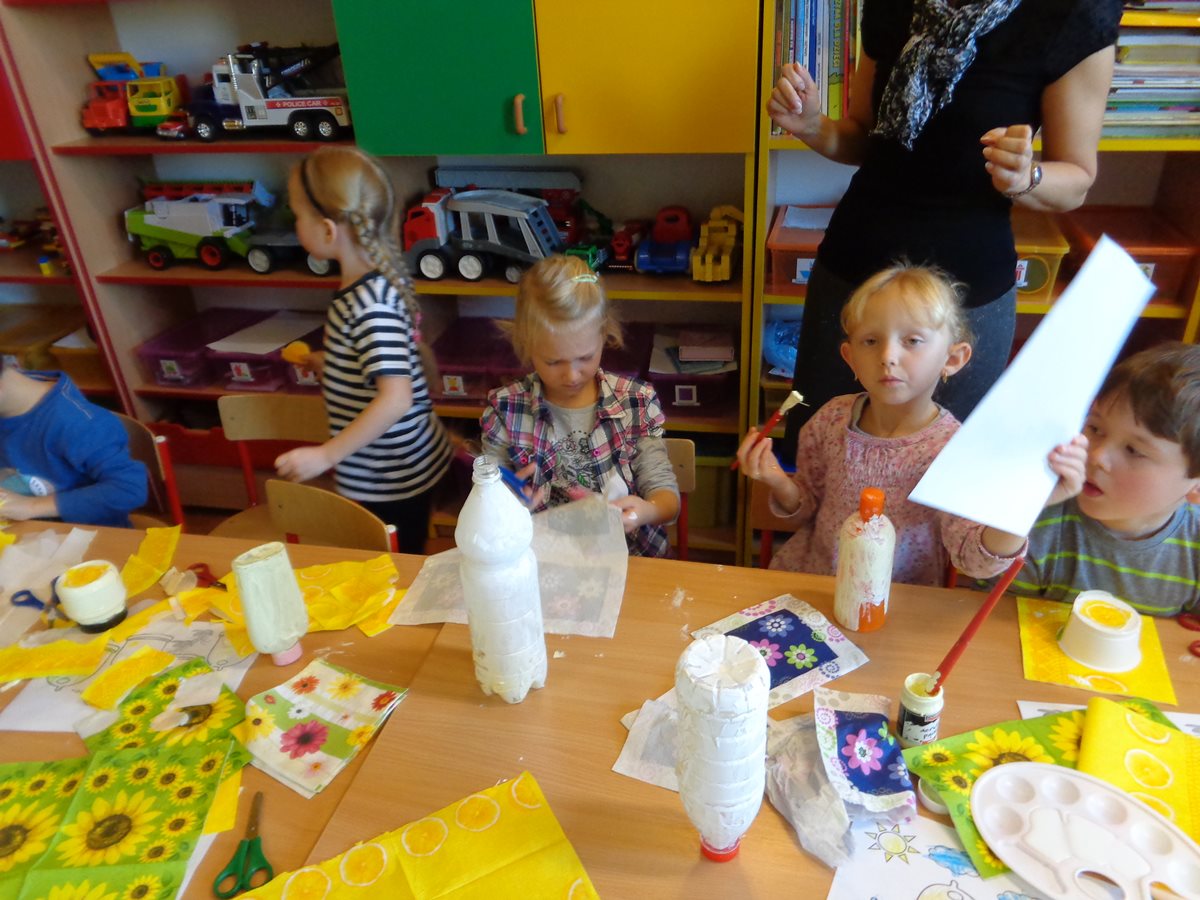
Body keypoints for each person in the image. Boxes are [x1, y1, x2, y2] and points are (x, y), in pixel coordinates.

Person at [770, 0, 1123, 458]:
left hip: (964, 295)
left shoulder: (1072, 12)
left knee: (944, 471)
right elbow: (863, 138)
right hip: (854, 272)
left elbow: (1076, 180)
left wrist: (1026, 177)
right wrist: (813, 126)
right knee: (821, 457)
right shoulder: (894, 7)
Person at [736, 263, 1084, 585]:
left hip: (898, 604)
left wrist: (1026, 504)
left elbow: (974, 561)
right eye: (871, 341)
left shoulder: (955, 450)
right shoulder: (830, 419)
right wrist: (776, 479)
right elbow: (806, 510)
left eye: (912, 341)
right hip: (814, 585)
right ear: (850, 357)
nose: (888, 356)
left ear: (952, 358)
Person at [274, 146, 452, 554]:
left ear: (327, 230)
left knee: (395, 563)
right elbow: (377, 363)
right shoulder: (367, 289)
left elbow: (396, 397)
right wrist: (332, 364)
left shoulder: (369, 306)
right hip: (387, 467)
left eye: (297, 214)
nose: (295, 223)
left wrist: (326, 456)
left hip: (392, 476)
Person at [481, 255, 680, 558]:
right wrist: (507, 505)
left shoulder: (635, 402)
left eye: (585, 358)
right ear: (526, 343)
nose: (572, 375)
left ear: (604, 335)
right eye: (553, 361)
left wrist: (646, 511)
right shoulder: (505, 410)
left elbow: (667, 499)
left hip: (631, 558)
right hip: (543, 558)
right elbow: (486, 505)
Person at [1008, 343, 1200, 617]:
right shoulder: (1038, 524)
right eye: (1095, 428)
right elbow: (995, 623)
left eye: (1134, 450)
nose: (1096, 455)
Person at [0, 361, 146, 527]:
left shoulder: (81, 423)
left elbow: (129, 490)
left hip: (89, 534)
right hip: (20, 526)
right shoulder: (10, 397)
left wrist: (31, 507)